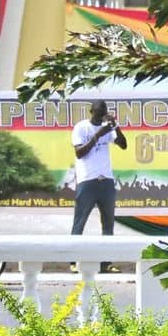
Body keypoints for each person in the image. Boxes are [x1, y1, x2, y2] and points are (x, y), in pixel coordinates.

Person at [70, 101, 128, 235]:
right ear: (91, 112)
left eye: (103, 114)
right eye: (97, 114)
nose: (100, 118)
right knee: (79, 225)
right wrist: (98, 135)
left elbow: (123, 145)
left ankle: (106, 256)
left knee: (108, 227)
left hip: (106, 181)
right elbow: (79, 153)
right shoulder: (81, 127)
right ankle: (73, 255)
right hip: (87, 181)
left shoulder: (107, 127)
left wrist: (116, 126)